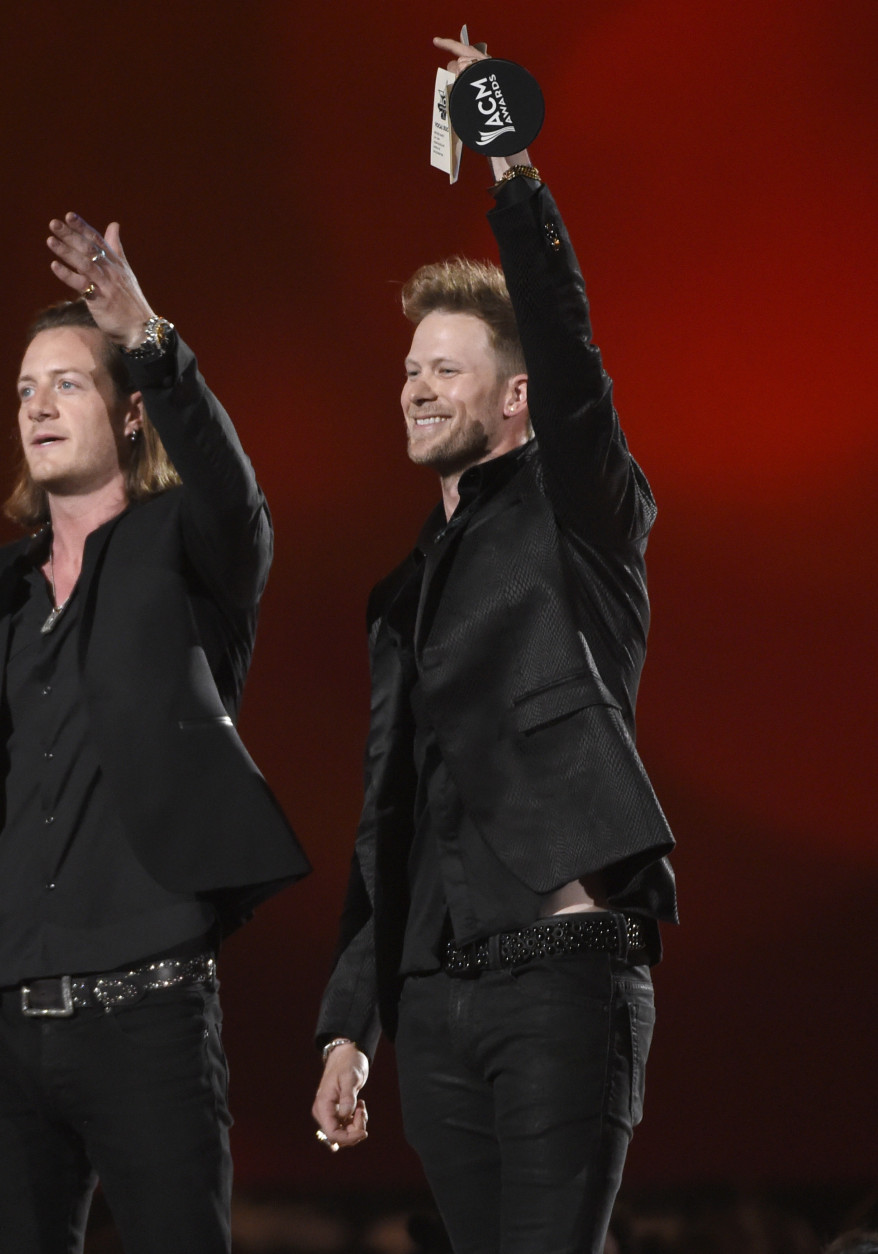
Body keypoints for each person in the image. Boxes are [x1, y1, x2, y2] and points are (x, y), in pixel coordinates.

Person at [0, 212, 307, 1252]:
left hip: (143, 1008)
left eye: (65, 382)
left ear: (131, 415)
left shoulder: (180, 550)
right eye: (22, 388)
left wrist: (145, 329)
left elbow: (232, 499)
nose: (36, 406)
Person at [309, 34, 678, 1254]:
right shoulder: (401, 590)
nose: (413, 386)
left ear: (509, 398)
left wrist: (511, 167)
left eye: (445, 368)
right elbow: (386, 816)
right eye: (407, 368)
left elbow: (571, 361)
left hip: (562, 973)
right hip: (438, 998)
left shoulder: (579, 508)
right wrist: (351, 1022)